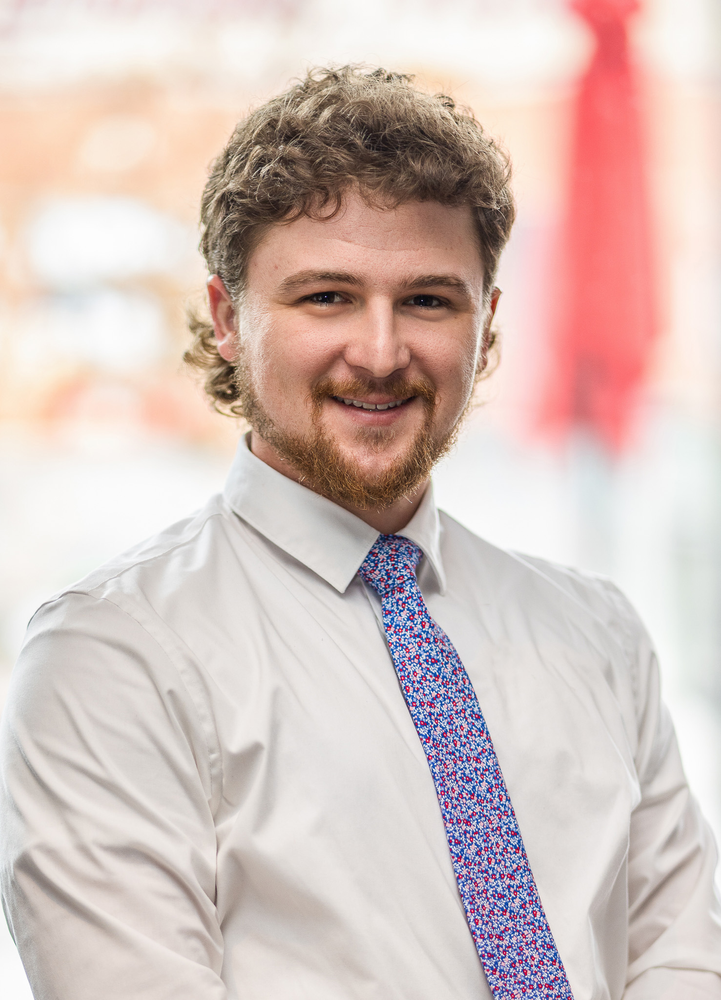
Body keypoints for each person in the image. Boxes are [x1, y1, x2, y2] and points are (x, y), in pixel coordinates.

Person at [1, 66, 720, 1000]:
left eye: (427, 299)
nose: (380, 354)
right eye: (326, 297)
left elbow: (682, 961)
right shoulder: (110, 659)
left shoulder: (599, 636)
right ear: (227, 319)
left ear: (486, 323)